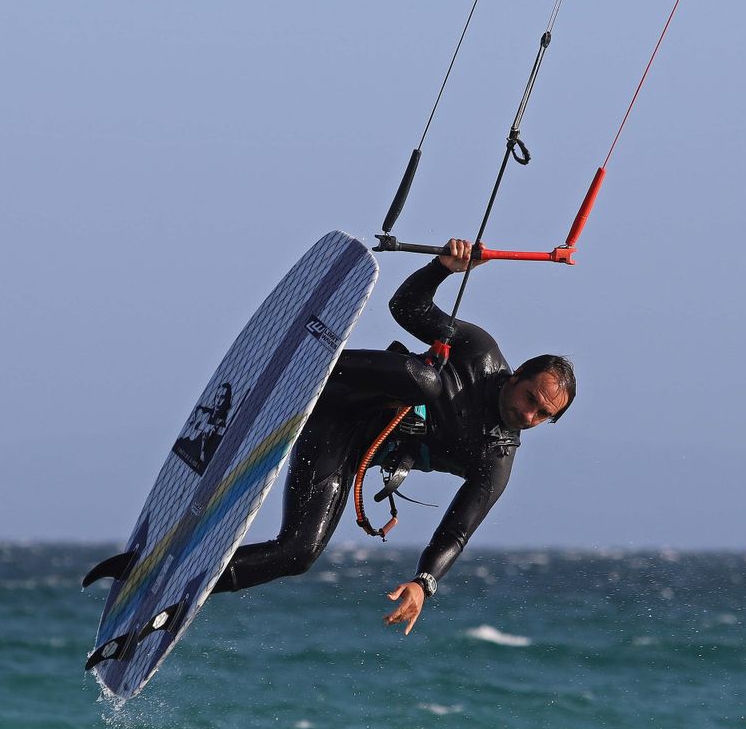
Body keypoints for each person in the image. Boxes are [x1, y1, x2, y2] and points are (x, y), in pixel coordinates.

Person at [213, 238, 575, 634]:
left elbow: (456, 531)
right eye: (531, 398)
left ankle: (183, 592)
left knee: (298, 554)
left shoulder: (496, 459)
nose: (528, 414)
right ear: (517, 374)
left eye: (543, 415)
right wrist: (443, 268)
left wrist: (424, 583)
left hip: (341, 445)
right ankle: (295, 371)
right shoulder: (479, 352)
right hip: (341, 392)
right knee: (427, 382)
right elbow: (407, 309)